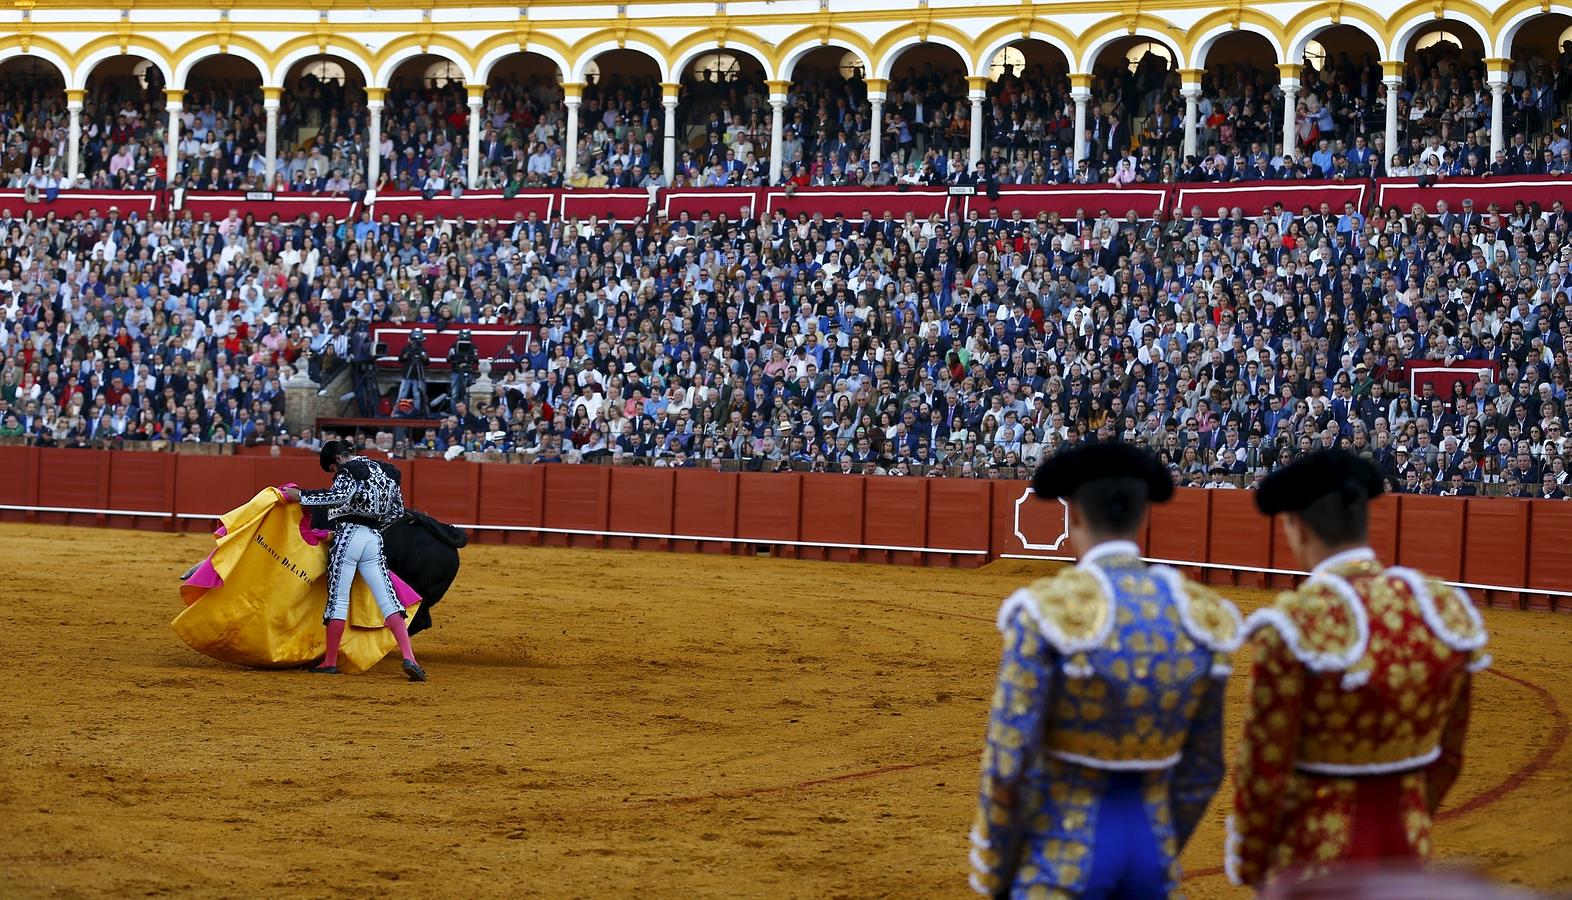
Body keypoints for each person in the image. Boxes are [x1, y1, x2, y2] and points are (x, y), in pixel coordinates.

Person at [969, 442, 1243, 897]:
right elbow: (1203, 768)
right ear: (1144, 517)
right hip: (1151, 851)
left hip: (1063, 852)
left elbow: (1010, 758)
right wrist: (1160, 841)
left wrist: (998, 868)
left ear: (1072, 515)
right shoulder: (1200, 617)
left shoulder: (1047, 610)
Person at [1227, 449, 1488, 889]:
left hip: (1317, 855)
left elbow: (1264, 766)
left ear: (1296, 526)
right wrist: (1410, 812)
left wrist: (1253, 863)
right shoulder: (1439, 608)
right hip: (1407, 844)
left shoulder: (1296, 623)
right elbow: (1449, 754)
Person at [282, 439, 428, 681]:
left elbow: (338, 497)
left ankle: (329, 661)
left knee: (338, 599)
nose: (334, 474)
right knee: (388, 599)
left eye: (332, 470)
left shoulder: (349, 469)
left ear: (338, 459)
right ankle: (409, 657)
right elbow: (397, 511)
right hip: (373, 538)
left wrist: (302, 496)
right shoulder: (387, 472)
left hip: (348, 535)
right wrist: (374, 528)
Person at [396, 329, 430, 417]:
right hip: (407, 375)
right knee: (402, 394)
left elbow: (427, 363)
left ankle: (417, 412)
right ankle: (399, 411)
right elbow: (400, 360)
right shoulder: (406, 348)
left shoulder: (422, 349)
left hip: (418, 376)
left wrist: (424, 357)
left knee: (417, 395)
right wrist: (405, 356)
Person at [447, 329, 479, 412]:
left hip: (467, 371)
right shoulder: (454, 345)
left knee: (466, 394)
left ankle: (466, 413)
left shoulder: (473, 346)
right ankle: (454, 413)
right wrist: (451, 354)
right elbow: (448, 359)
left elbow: (476, 360)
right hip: (456, 371)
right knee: (454, 394)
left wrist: (475, 356)